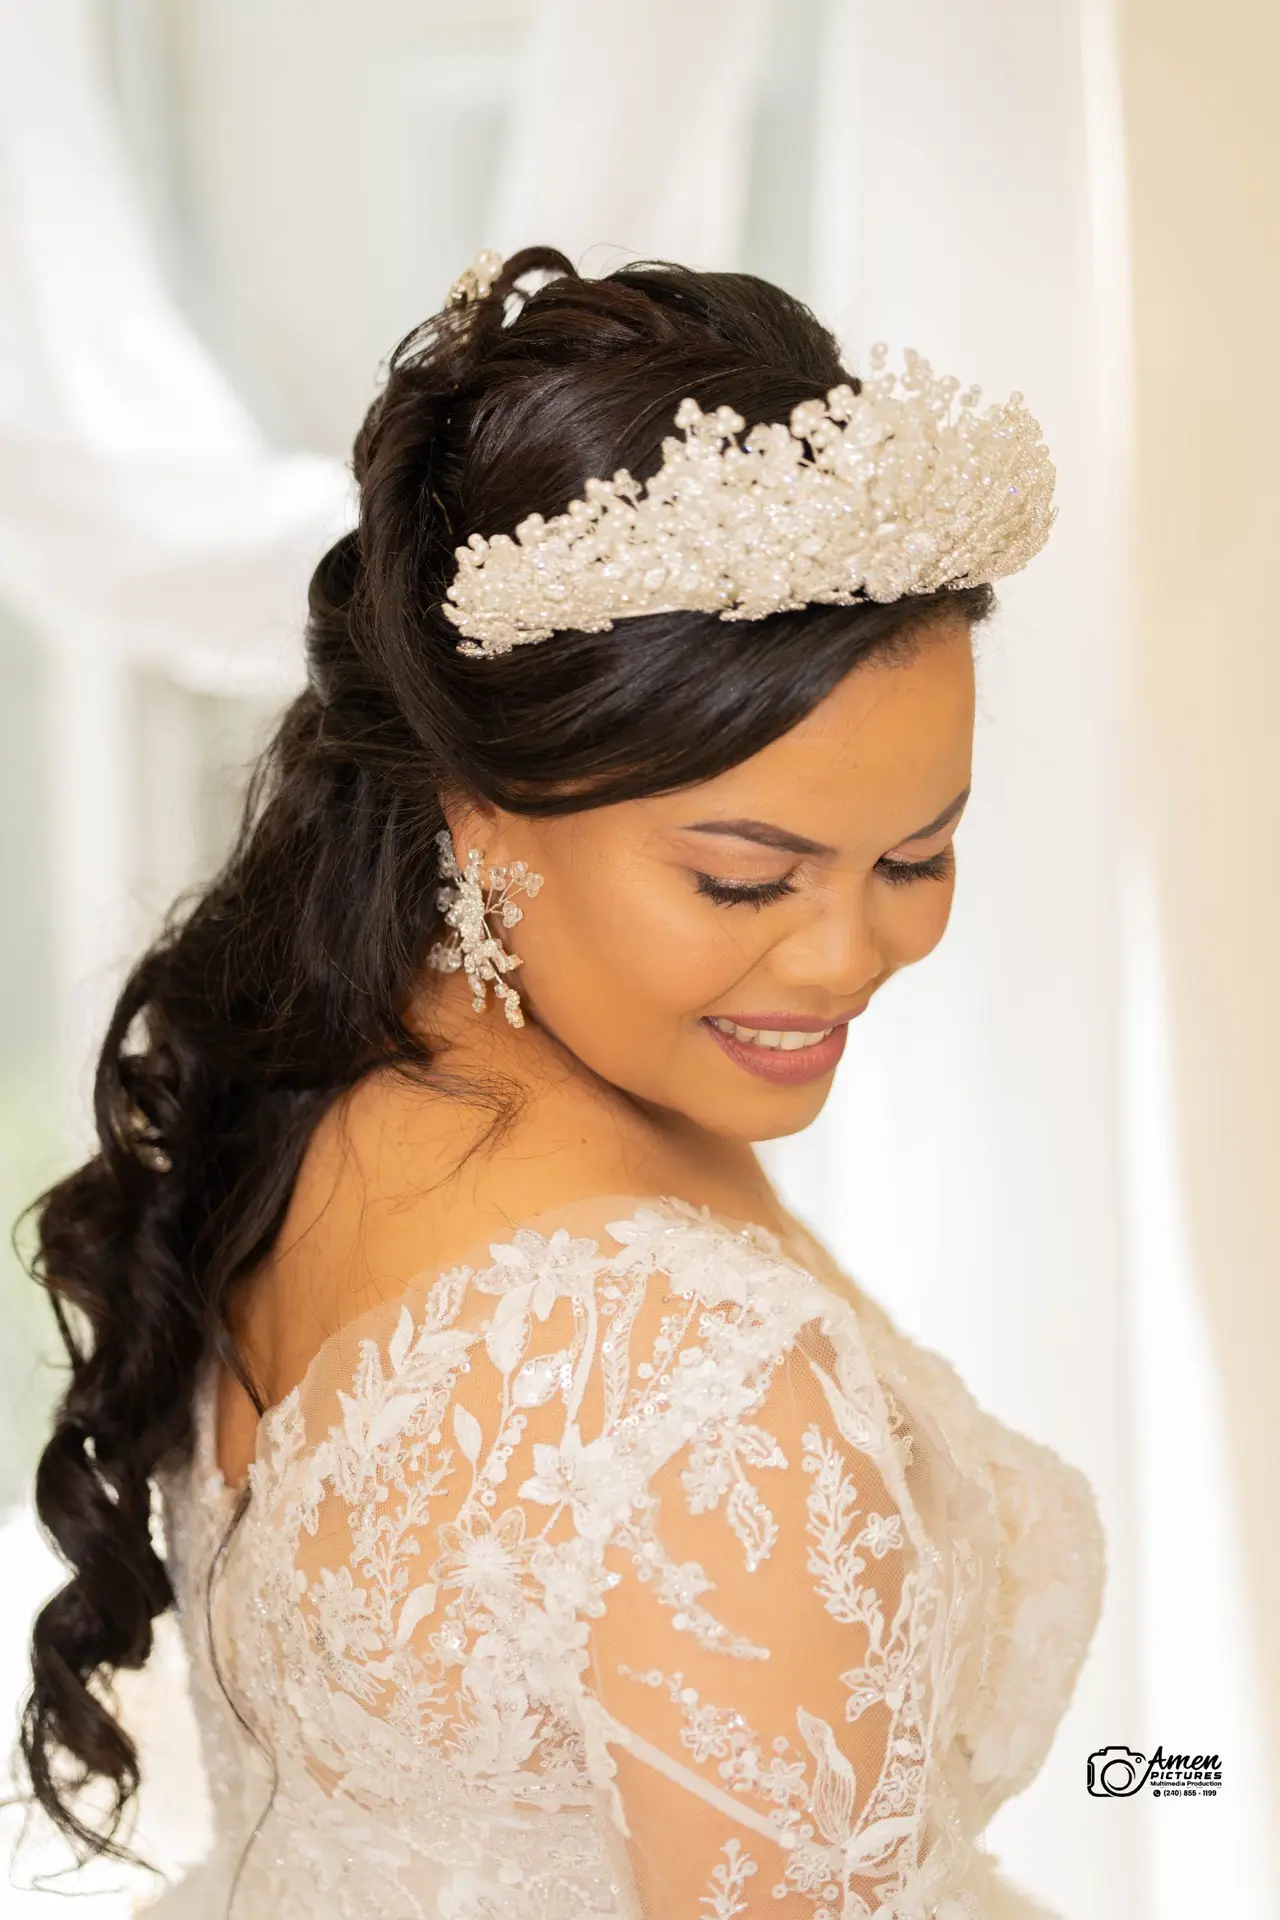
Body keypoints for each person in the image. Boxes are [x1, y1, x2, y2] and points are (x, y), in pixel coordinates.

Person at [17, 246, 1105, 1919]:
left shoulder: (338, 1067)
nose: (846, 957)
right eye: (746, 878)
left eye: (919, 855)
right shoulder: (705, 1400)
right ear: (477, 809)